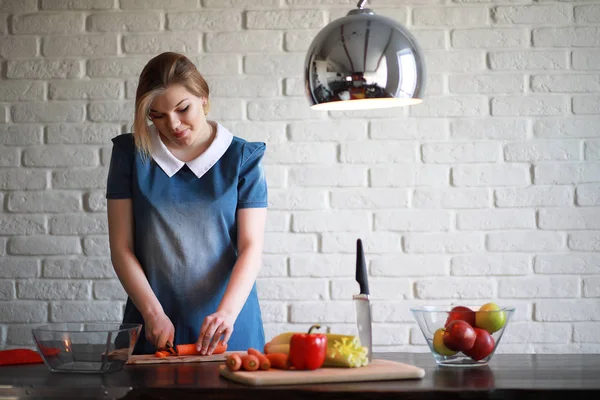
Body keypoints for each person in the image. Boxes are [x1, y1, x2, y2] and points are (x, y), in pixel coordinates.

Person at [106, 52, 268, 356]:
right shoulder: (131, 154)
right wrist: (152, 314)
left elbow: (251, 247)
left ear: (203, 97)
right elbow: (121, 248)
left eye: (183, 109)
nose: (174, 124)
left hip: (229, 326)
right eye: (158, 115)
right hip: (152, 324)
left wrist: (227, 314)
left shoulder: (243, 158)